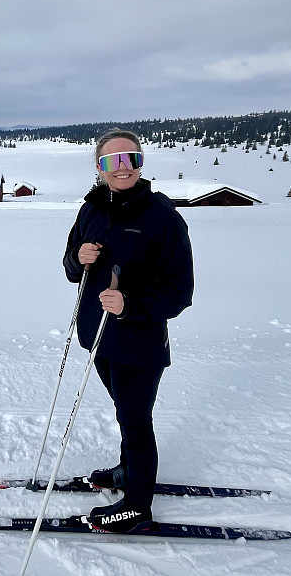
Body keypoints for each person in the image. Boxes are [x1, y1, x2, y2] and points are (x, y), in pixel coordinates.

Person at [63, 127, 194, 532]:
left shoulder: (162, 217)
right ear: (99, 168)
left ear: (140, 163)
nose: (122, 169)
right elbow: (70, 268)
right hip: (98, 339)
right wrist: (78, 257)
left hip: (139, 343)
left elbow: (180, 291)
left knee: (136, 420)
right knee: (124, 413)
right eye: (112, 161)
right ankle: (127, 470)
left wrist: (130, 304)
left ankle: (137, 504)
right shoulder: (91, 209)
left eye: (130, 159)